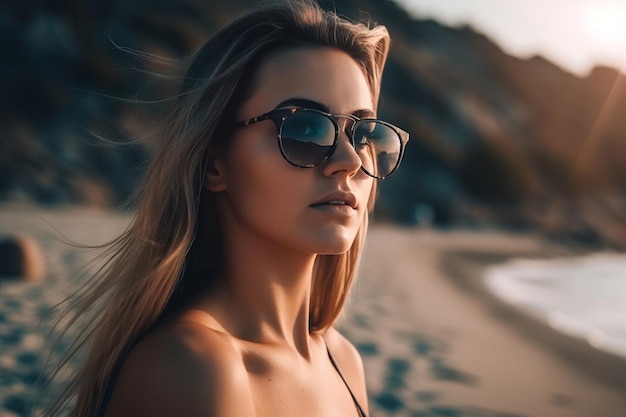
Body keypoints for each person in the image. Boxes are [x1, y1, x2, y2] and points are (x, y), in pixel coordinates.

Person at [43, 0, 409, 416]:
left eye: (364, 134)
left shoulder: (343, 361)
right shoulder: (192, 366)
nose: (350, 160)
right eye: (304, 128)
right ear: (215, 162)